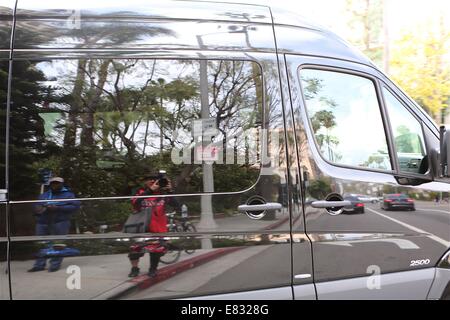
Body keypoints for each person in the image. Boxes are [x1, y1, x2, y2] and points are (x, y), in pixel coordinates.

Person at [128, 171, 179, 278]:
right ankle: (134, 268)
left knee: (155, 250)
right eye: (149, 179)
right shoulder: (139, 191)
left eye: (154, 179)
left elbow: (177, 205)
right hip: (140, 227)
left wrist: (170, 191)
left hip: (158, 227)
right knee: (134, 249)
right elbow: (135, 203)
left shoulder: (163, 193)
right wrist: (150, 191)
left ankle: (153, 269)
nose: (152, 181)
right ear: (145, 182)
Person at [28, 177, 80, 272]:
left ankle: (54, 265)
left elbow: (75, 206)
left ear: (62, 184)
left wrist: (58, 208)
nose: (55, 185)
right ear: (50, 184)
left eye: (57, 183)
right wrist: (38, 208)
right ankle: (39, 265)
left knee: (58, 244)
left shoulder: (69, 195)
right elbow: (36, 206)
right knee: (41, 244)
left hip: (60, 222)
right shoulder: (44, 195)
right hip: (43, 223)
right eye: (53, 183)